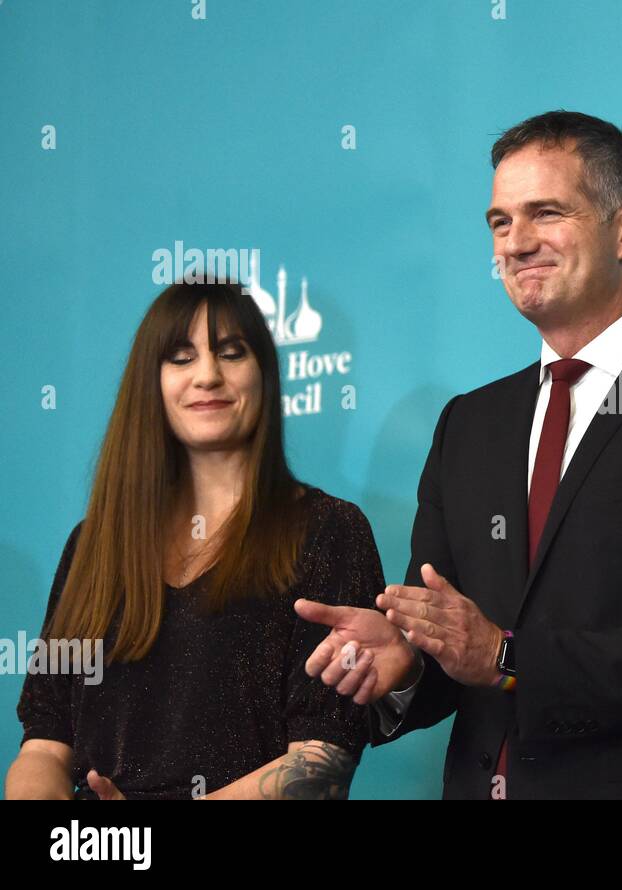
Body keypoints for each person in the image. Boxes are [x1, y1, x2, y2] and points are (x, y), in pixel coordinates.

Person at [296, 110, 622, 799]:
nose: (517, 242)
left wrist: (508, 656)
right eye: (500, 223)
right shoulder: (468, 424)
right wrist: (408, 661)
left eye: (546, 213)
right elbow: (456, 648)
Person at [6, 281, 380, 800]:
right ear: (150, 383)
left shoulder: (329, 531)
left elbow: (322, 760)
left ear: (264, 375)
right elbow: (44, 742)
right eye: (181, 358)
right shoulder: (92, 545)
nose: (207, 375)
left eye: (231, 353)